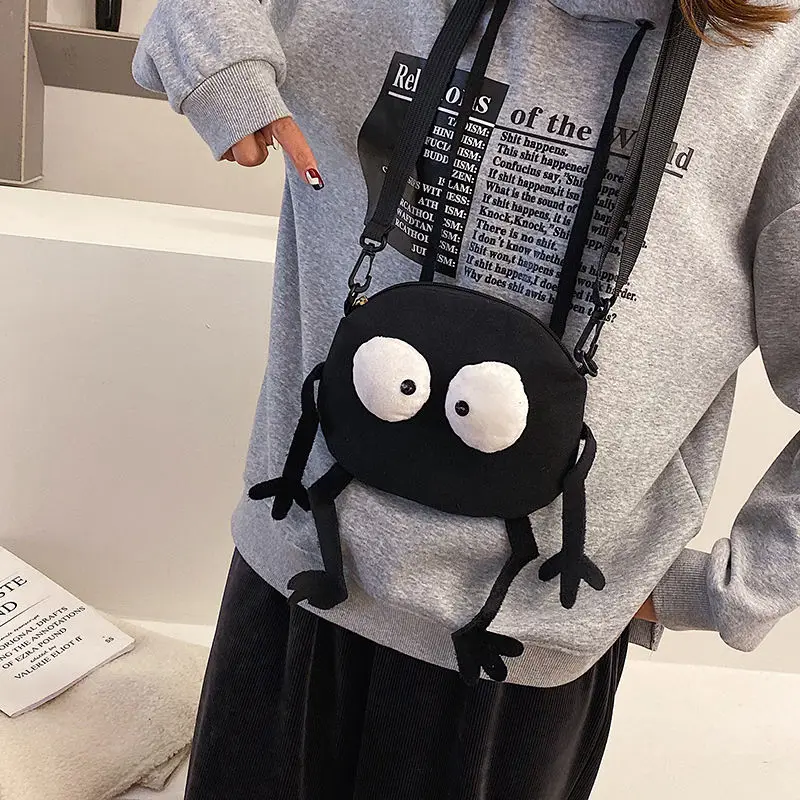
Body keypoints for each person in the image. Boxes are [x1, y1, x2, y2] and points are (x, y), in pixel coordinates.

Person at [133, 0, 799, 797]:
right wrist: (218, 63)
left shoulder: (778, 71)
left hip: (518, 655)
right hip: (298, 580)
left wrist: (732, 590)